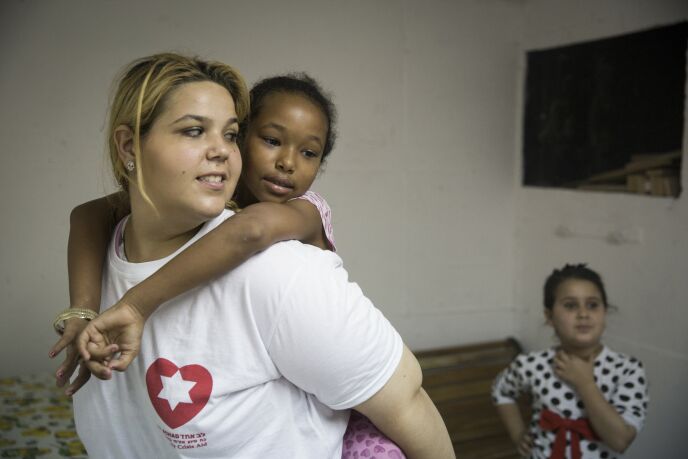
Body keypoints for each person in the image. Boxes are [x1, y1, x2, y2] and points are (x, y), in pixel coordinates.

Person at [61, 52, 454, 459]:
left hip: (352, 415)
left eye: (228, 135)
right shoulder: (112, 242)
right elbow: (87, 214)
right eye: (195, 130)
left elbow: (247, 234)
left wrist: (137, 306)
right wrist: (82, 312)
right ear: (128, 146)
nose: (220, 151)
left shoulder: (287, 245)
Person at [492, 264, 648, 458]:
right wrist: (518, 435)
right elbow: (501, 390)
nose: (583, 314)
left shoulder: (627, 370)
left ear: (605, 312)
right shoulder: (532, 364)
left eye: (592, 305)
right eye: (570, 305)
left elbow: (620, 440)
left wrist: (585, 384)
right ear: (549, 316)